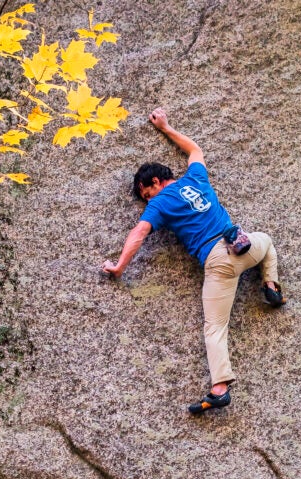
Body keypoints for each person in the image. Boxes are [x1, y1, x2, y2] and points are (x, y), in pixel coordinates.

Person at [103, 108, 286, 414]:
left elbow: (139, 232)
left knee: (215, 328)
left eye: (145, 193)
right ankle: (271, 285)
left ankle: (220, 388)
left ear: (157, 182)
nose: (146, 200)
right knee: (266, 241)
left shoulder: (160, 202)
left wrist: (120, 266)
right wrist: (166, 127)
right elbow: (195, 150)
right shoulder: (197, 178)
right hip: (244, 245)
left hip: (219, 263)